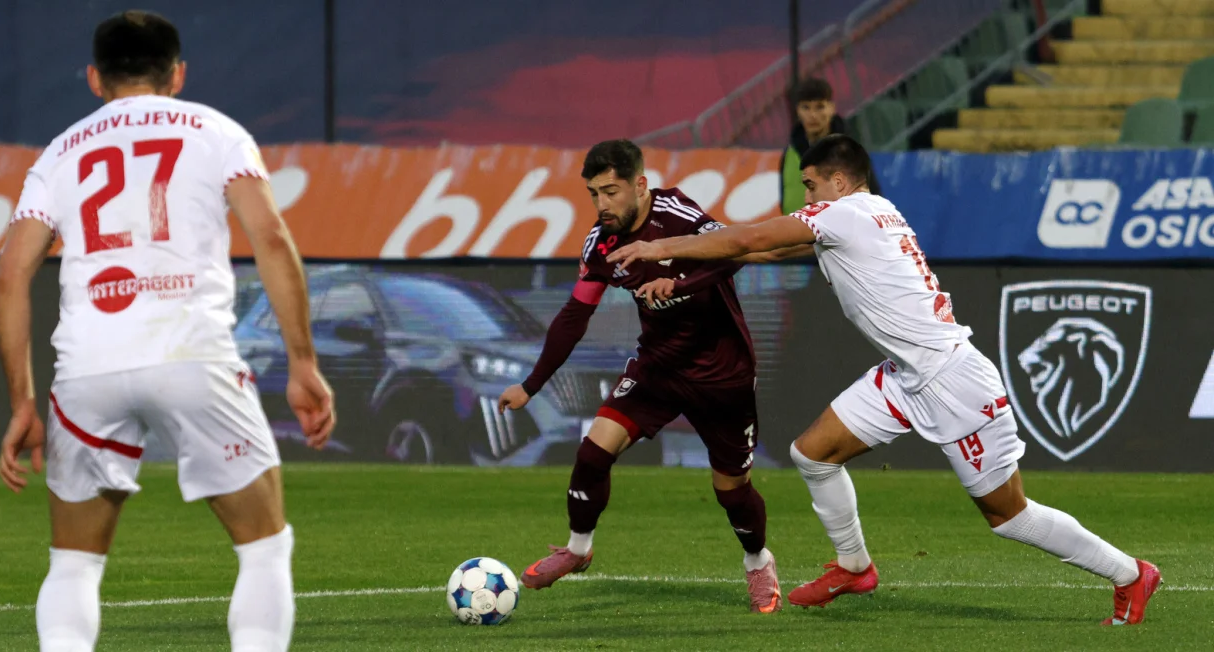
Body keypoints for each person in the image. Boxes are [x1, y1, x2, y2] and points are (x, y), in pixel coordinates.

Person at [608, 134, 1161, 625]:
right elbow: (773, 248)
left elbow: (750, 239)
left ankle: (1131, 573)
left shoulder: (845, 213)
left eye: (811, 184)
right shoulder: (874, 211)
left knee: (1007, 515)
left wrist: (663, 248)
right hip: (906, 375)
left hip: (951, 379)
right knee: (813, 453)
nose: (806, 197)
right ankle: (854, 566)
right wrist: (694, 270)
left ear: (839, 181)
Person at [0, 11, 335, 651]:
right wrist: (302, 361)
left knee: (73, 564)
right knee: (264, 549)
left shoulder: (60, 152)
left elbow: (11, 277)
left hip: (88, 367)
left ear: (95, 78)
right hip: (193, 356)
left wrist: (22, 402)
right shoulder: (215, 131)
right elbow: (271, 237)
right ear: (177, 74)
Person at [497, 139, 810, 613]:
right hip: (658, 368)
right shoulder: (601, 242)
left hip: (721, 374)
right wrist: (529, 385)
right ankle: (578, 549)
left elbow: (734, 254)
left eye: (611, 192)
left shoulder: (678, 213)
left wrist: (679, 281)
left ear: (640, 185)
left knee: (731, 490)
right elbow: (574, 316)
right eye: (594, 194)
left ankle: (757, 562)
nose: (602, 205)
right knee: (591, 452)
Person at [780, 78, 880, 215]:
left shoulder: (850, 151)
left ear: (832, 108)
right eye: (806, 107)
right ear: (797, 111)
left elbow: (872, 198)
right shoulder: (789, 153)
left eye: (820, 107)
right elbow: (786, 198)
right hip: (796, 234)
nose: (813, 115)